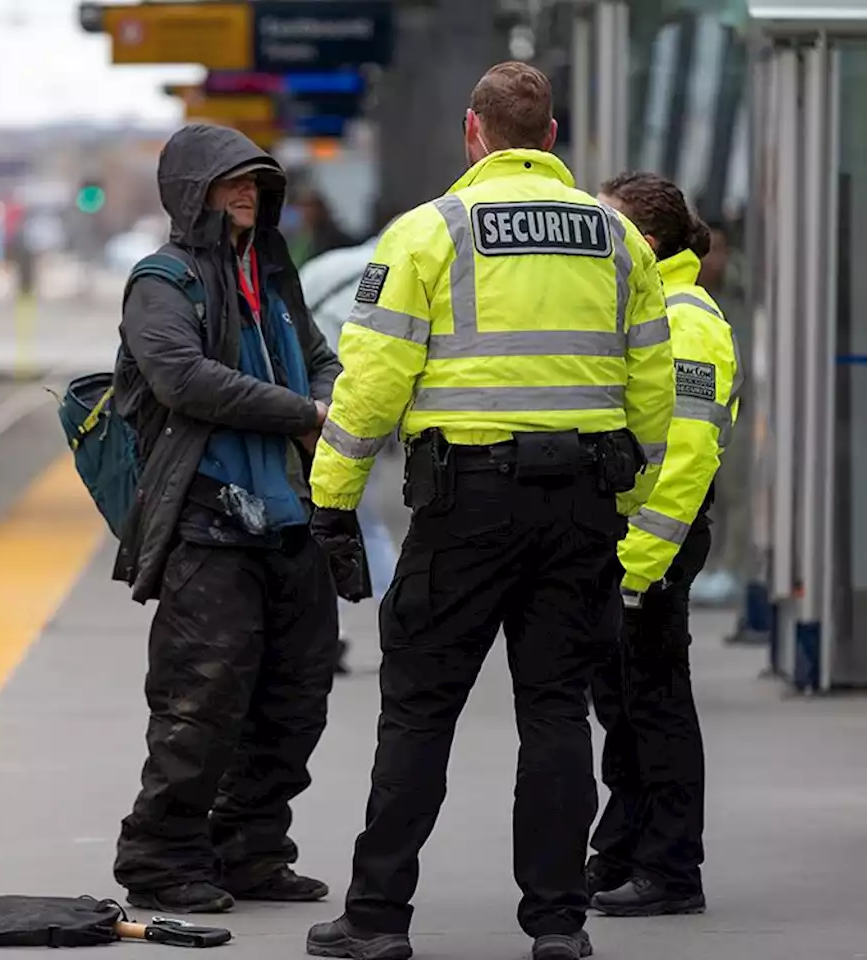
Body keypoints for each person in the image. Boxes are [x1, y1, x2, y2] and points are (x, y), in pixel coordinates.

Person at [303, 61, 676, 960]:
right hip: (581, 506)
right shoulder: (618, 240)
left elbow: (371, 385)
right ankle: (557, 925)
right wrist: (626, 492)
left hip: (464, 507)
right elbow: (653, 390)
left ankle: (379, 920)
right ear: (550, 138)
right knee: (554, 712)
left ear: (474, 132)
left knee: (420, 712)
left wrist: (331, 501)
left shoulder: (428, 234)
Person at [110, 123, 344, 915]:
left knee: (295, 695)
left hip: (288, 521)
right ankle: (161, 856)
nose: (248, 193)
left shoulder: (272, 273)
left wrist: (329, 397)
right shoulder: (163, 281)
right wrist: (301, 414)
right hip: (208, 526)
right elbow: (182, 378)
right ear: (191, 193)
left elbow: (319, 354)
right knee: (200, 702)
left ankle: (249, 848)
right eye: (230, 182)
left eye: (257, 182)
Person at [585, 172, 743, 918]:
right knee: (622, 703)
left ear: (643, 241)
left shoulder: (688, 319)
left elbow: (687, 457)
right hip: (634, 542)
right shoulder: (649, 305)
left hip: (657, 543)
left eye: (607, 224)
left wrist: (639, 565)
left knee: (656, 704)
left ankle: (673, 869)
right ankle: (623, 848)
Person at [298, 220, 403, 674]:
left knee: (315, 516)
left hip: (309, 405)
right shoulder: (405, 272)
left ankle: (328, 632)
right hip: (367, 403)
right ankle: (404, 623)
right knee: (369, 520)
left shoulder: (327, 266)